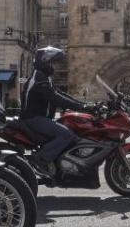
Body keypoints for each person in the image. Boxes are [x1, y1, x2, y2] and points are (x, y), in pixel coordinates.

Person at [19, 46, 88, 176]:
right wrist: (82, 107)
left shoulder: (42, 76)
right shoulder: (39, 78)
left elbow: (59, 94)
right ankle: (41, 158)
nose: (54, 67)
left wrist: (84, 105)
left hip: (38, 118)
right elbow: (55, 98)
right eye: (52, 63)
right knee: (67, 135)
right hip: (34, 119)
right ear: (45, 62)